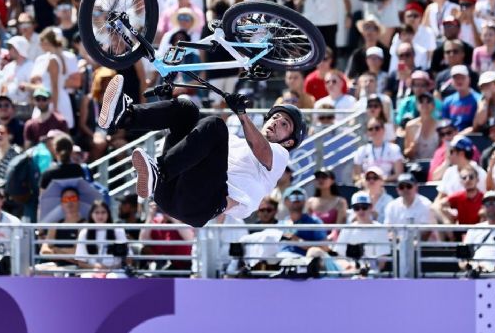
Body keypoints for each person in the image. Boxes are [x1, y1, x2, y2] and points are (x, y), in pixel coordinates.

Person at [99, 74, 306, 227]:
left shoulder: (279, 155)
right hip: (170, 191)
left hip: (198, 206)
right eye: (275, 117)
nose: (277, 122)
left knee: (215, 126)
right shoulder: (233, 142)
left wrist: (242, 115)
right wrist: (168, 103)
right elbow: (189, 148)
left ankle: (159, 171)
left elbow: (261, 150)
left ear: (288, 142)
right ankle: (124, 117)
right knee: (186, 110)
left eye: (285, 124)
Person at [334, 191, 391, 272]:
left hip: (371, 273)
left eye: (364, 207)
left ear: (371, 207)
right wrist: (351, 268)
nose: (361, 211)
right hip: (349, 272)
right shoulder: (347, 229)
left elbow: (382, 262)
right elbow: (340, 257)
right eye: (357, 208)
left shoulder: (380, 228)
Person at [74, 201, 128, 278]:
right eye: (97, 212)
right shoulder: (84, 232)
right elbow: (81, 262)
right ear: (91, 215)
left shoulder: (118, 231)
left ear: (108, 214)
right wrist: (96, 267)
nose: (100, 216)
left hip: (115, 271)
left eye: (103, 212)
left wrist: (110, 268)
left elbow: (126, 258)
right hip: (92, 270)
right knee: (87, 277)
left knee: (114, 277)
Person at [432, 164, 484, 239]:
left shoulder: (484, 198)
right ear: (461, 181)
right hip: (461, 233)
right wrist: (447, 221)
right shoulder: (458, 196)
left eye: (471, 177)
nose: (468, 180)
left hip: (479, 234)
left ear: (477, 180)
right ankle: (444, 248)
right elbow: (435, 206)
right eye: (464, 178)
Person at [38, 187, 86, 268]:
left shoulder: (84, 225)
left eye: (73, 198)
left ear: (78, 201)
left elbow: (77, 253)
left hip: (74, 268)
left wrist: (55, 249)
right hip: (54, 265)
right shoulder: (55, 225)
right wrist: (67, 255)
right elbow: (44, 251)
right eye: (65, 199)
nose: (69, 202)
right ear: (61, 203)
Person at [139, 201, 194, 271]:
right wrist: (150, 216)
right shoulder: (155, 222)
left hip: (182, 267)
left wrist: (173, 218)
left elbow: (190, 239)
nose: (165, 209)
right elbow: (143, 241)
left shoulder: (185, 221)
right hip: (160, 266)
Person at [278, 187, 327, 257]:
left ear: (304, 201)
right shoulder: (280, 224)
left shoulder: (315, 222)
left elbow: (324, 247)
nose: (297, 200)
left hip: (303, 262)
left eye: (300, 197)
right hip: (280, 260)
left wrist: (298, 241)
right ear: (285, 201)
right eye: (293, 197)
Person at [353, 117, 404, 183]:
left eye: (377, 128)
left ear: (384, 130)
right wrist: (368, 180)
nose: (374, 131)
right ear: (367, 132)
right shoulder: (361, 151)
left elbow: (399, 174)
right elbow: (356, 176)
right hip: (367, 186)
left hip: (386, 185)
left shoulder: (394, 148)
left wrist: (381, 180)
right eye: (370, 129)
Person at [441, 65, 481, 132]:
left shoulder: (478, 99)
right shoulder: (447, 101)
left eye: (462, 78)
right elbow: (445, 123)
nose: (459, 81)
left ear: (469, 79)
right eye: (456, 78)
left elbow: (478, 124)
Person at [403, 93, 440, 160]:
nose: (424, 104)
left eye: (428, 101)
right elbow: (406, 153)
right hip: (416, 166)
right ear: (417, 106)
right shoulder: (410, 126)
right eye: (421, 102)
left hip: (435, 164)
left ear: (433, 106)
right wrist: (412, 149)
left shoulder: (440, 126)